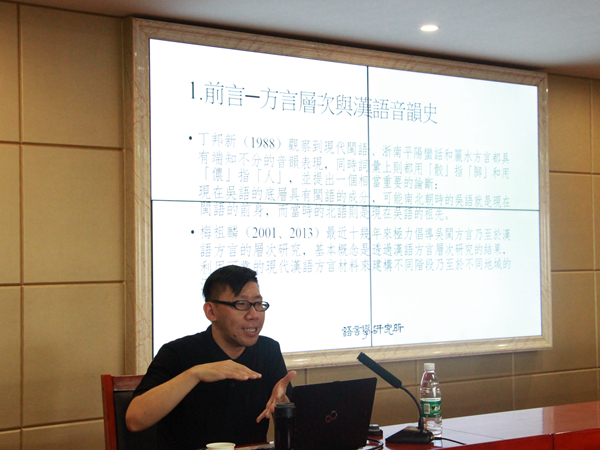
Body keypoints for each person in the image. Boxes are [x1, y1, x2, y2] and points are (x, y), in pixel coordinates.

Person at [126, 265, 296, 450]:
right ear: (211, 311)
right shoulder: (177, 353)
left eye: (258, 304)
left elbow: (297, 429)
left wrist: (283, 404)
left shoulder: (268, 350)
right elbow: (134, 420)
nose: (254, 315)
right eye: (241, 304)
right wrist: (194, 374)